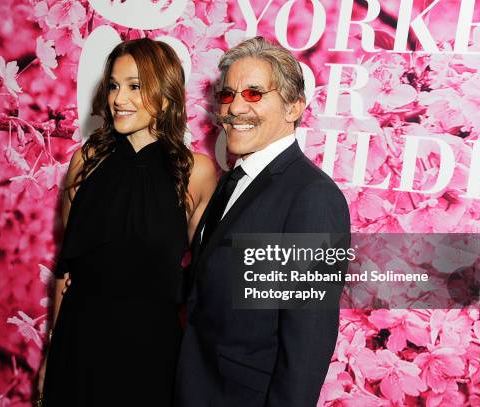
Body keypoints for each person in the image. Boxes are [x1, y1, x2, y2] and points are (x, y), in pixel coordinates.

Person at [38, 38, 216, 406]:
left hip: (151, 358)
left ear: (165, 94)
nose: (119, 99)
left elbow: (206, 282)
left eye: (135, 86)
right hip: (78, 350)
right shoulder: (86, 161)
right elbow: (66, 271)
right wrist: (50, 357)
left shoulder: (194, 172)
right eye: (115, 86)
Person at [175, 36, 351, 407]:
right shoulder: (234, 181)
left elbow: (307, 342)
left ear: (293, 106)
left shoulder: (311, 198)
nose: (235, 108)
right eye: (228, 94)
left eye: (254, 94)